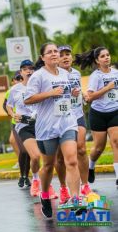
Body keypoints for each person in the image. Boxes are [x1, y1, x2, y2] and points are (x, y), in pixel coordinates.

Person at [24, 42, 81, 219]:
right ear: (43, 57)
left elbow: (68, 92)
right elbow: (28, 99)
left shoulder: (65, 74)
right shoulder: (38, 76)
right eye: (50, 52)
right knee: (48, 166)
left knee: (71, 160)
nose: (54, 54)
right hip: (47, 128)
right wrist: (50, 93)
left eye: (55, 51)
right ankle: (45, 195)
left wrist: (74, 93)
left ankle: (76, 200)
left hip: (67, 123)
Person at [75, 46, 118, 188]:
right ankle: (91, 167)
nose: (107, 57)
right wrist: (108, 87)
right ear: (97, 61)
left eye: (108, 55)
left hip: (115, 111)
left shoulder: (116, 73)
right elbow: (90, 97)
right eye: (103, 56)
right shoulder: (96, 76)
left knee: (116, 142)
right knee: (98, 148)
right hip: (98, 114)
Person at [55, 45, 91, 204]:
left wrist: (83, 95)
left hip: (77, 114)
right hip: (60, 117)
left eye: (67, 54)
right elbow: (54, 97)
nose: (65, 57)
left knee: (82, 149)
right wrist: (69, 94)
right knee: (60, 158)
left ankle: (85, 185)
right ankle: (63, 187)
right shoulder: (55, 75)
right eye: (61, 55)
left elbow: (78, 91)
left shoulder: (76, 73)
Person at [7, 59, 41, 197]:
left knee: (49, 158)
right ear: (21, 72)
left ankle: (44, 183)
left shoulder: (40, 86)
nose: (29, 71)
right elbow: (9, 106)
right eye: (25, 69)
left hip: (40, 123)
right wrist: (13, 114)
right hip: (24, 124)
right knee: (35, 155)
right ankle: (35, 180)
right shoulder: (15, 89)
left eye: (31, 68)